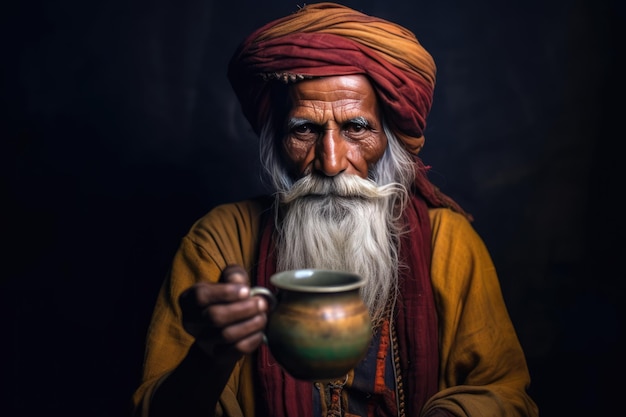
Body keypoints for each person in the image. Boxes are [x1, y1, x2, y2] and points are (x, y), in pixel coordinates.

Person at [131, 2, 538, 416]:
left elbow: (505, 395)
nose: (330, 162)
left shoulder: (448, 243)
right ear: (275, 142)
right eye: (304, 129)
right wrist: (209, 358)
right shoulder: (219, 242)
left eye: (356, 128)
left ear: (390, 141)